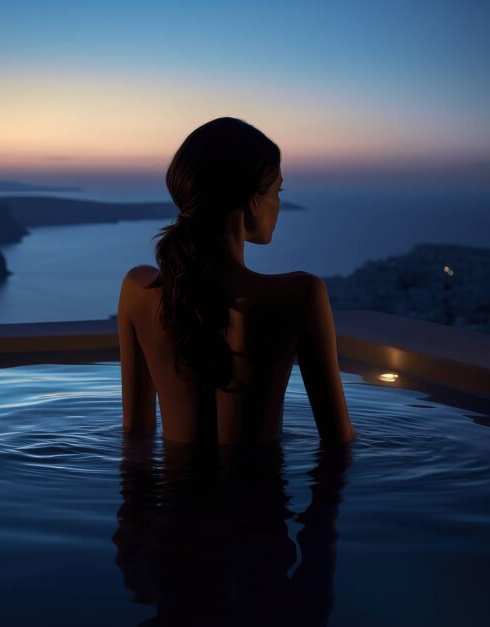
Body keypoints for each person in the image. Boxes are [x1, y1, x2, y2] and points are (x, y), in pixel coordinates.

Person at [118, 117, 355, 444]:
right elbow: (338, 443)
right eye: (278, 190)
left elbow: (135, 436)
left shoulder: (137, 291)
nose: (279, 203)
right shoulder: (301, 296)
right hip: (261, 494)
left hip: (174, 495)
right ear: (252, 201)